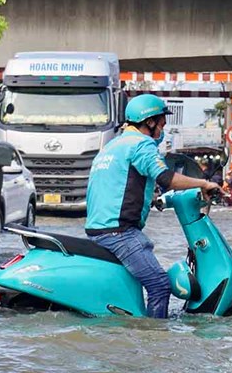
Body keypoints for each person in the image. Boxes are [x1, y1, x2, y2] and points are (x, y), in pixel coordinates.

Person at [85, 94, 223, 319]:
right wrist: (204, 183)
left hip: (99, 230)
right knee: (159, 285)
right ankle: (154, 338)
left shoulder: (113, 146)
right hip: (118, 233)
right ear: (149, 122)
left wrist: (152, 200)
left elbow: (119, 185)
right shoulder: (140, 144)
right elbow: (166, 178)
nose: (162, 131)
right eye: (162, 124)